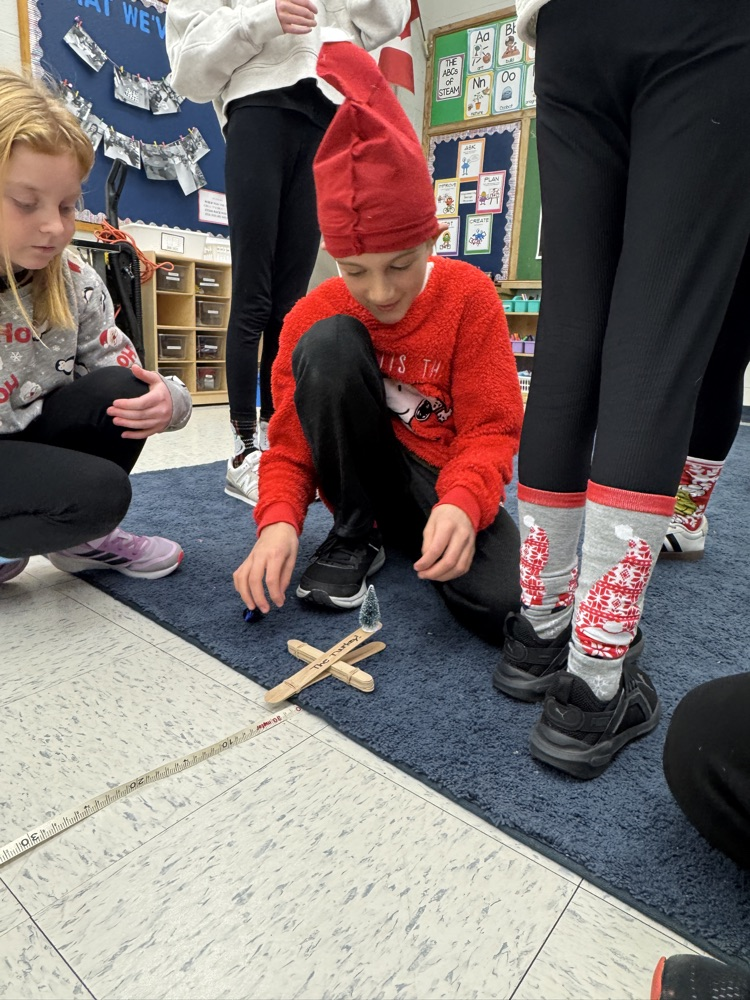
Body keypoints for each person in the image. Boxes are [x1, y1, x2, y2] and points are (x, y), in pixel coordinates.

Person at [492, 0, 750, 777]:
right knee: (654, 347)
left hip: (570, 26)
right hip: (709, 25)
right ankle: (595, 687)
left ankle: (539, 635)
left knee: (568, 336)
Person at [232, 40, 523, 645]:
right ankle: (358, 533)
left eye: (400, 264)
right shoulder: (317, 310)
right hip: (357, 482)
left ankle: (412, 531)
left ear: (431, 238)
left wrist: (463, 503)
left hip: (434, 478)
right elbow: (288, 443)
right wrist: (279, 522)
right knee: (329, 340)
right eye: (354, 269)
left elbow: (492, 429)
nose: (381, 290)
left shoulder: (469, 295)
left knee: (506, 606)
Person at [165, 0, 410, 506]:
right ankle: (242, 449)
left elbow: (382, 22)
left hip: (325, 112)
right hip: (257, 108)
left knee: (290, 303)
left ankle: (281, 445)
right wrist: (262, 19)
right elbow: (188, 72)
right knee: (253, 295)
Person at [0, 70, 192, 586]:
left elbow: (123, 371)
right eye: (25, 203)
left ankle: (78, 544)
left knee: (123, 392)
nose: (54, 227)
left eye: (67, 206)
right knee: (93, 497)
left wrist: (170, 400)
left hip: (31, 437)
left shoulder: (75, 280)